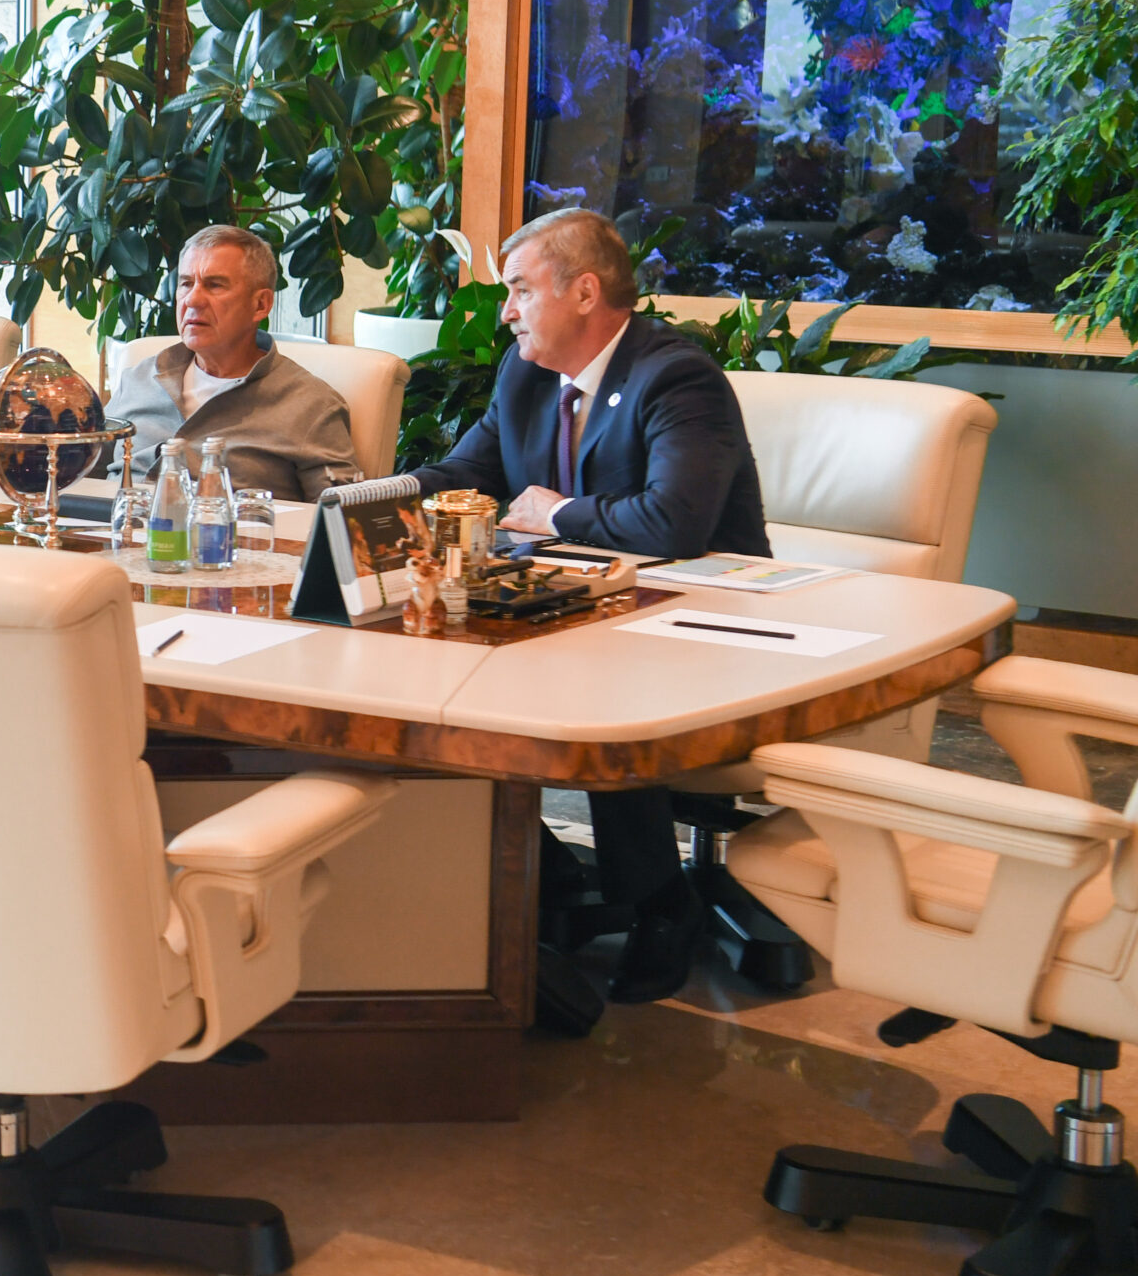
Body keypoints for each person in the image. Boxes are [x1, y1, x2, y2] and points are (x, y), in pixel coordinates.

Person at [410, 205, 771, 1004]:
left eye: (519, 289)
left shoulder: (676, 377)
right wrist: (375, 498)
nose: (506, 311)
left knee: (602, 693)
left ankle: (662, 904)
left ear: (583, 292)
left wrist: (557, 513)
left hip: (699, 624)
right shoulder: (525, 376)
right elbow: (468, 473)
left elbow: (675, 523)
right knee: (439, 687)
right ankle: (547, 875)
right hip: (574, 611)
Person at [108, 224, 360, 500]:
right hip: (111, 525)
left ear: (261, 304)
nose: (193, 299)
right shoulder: (137, 380)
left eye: (215, 285)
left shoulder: (311, 405)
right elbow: (77, 475)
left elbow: (340, 518)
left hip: (234, 527)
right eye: (186, 283)